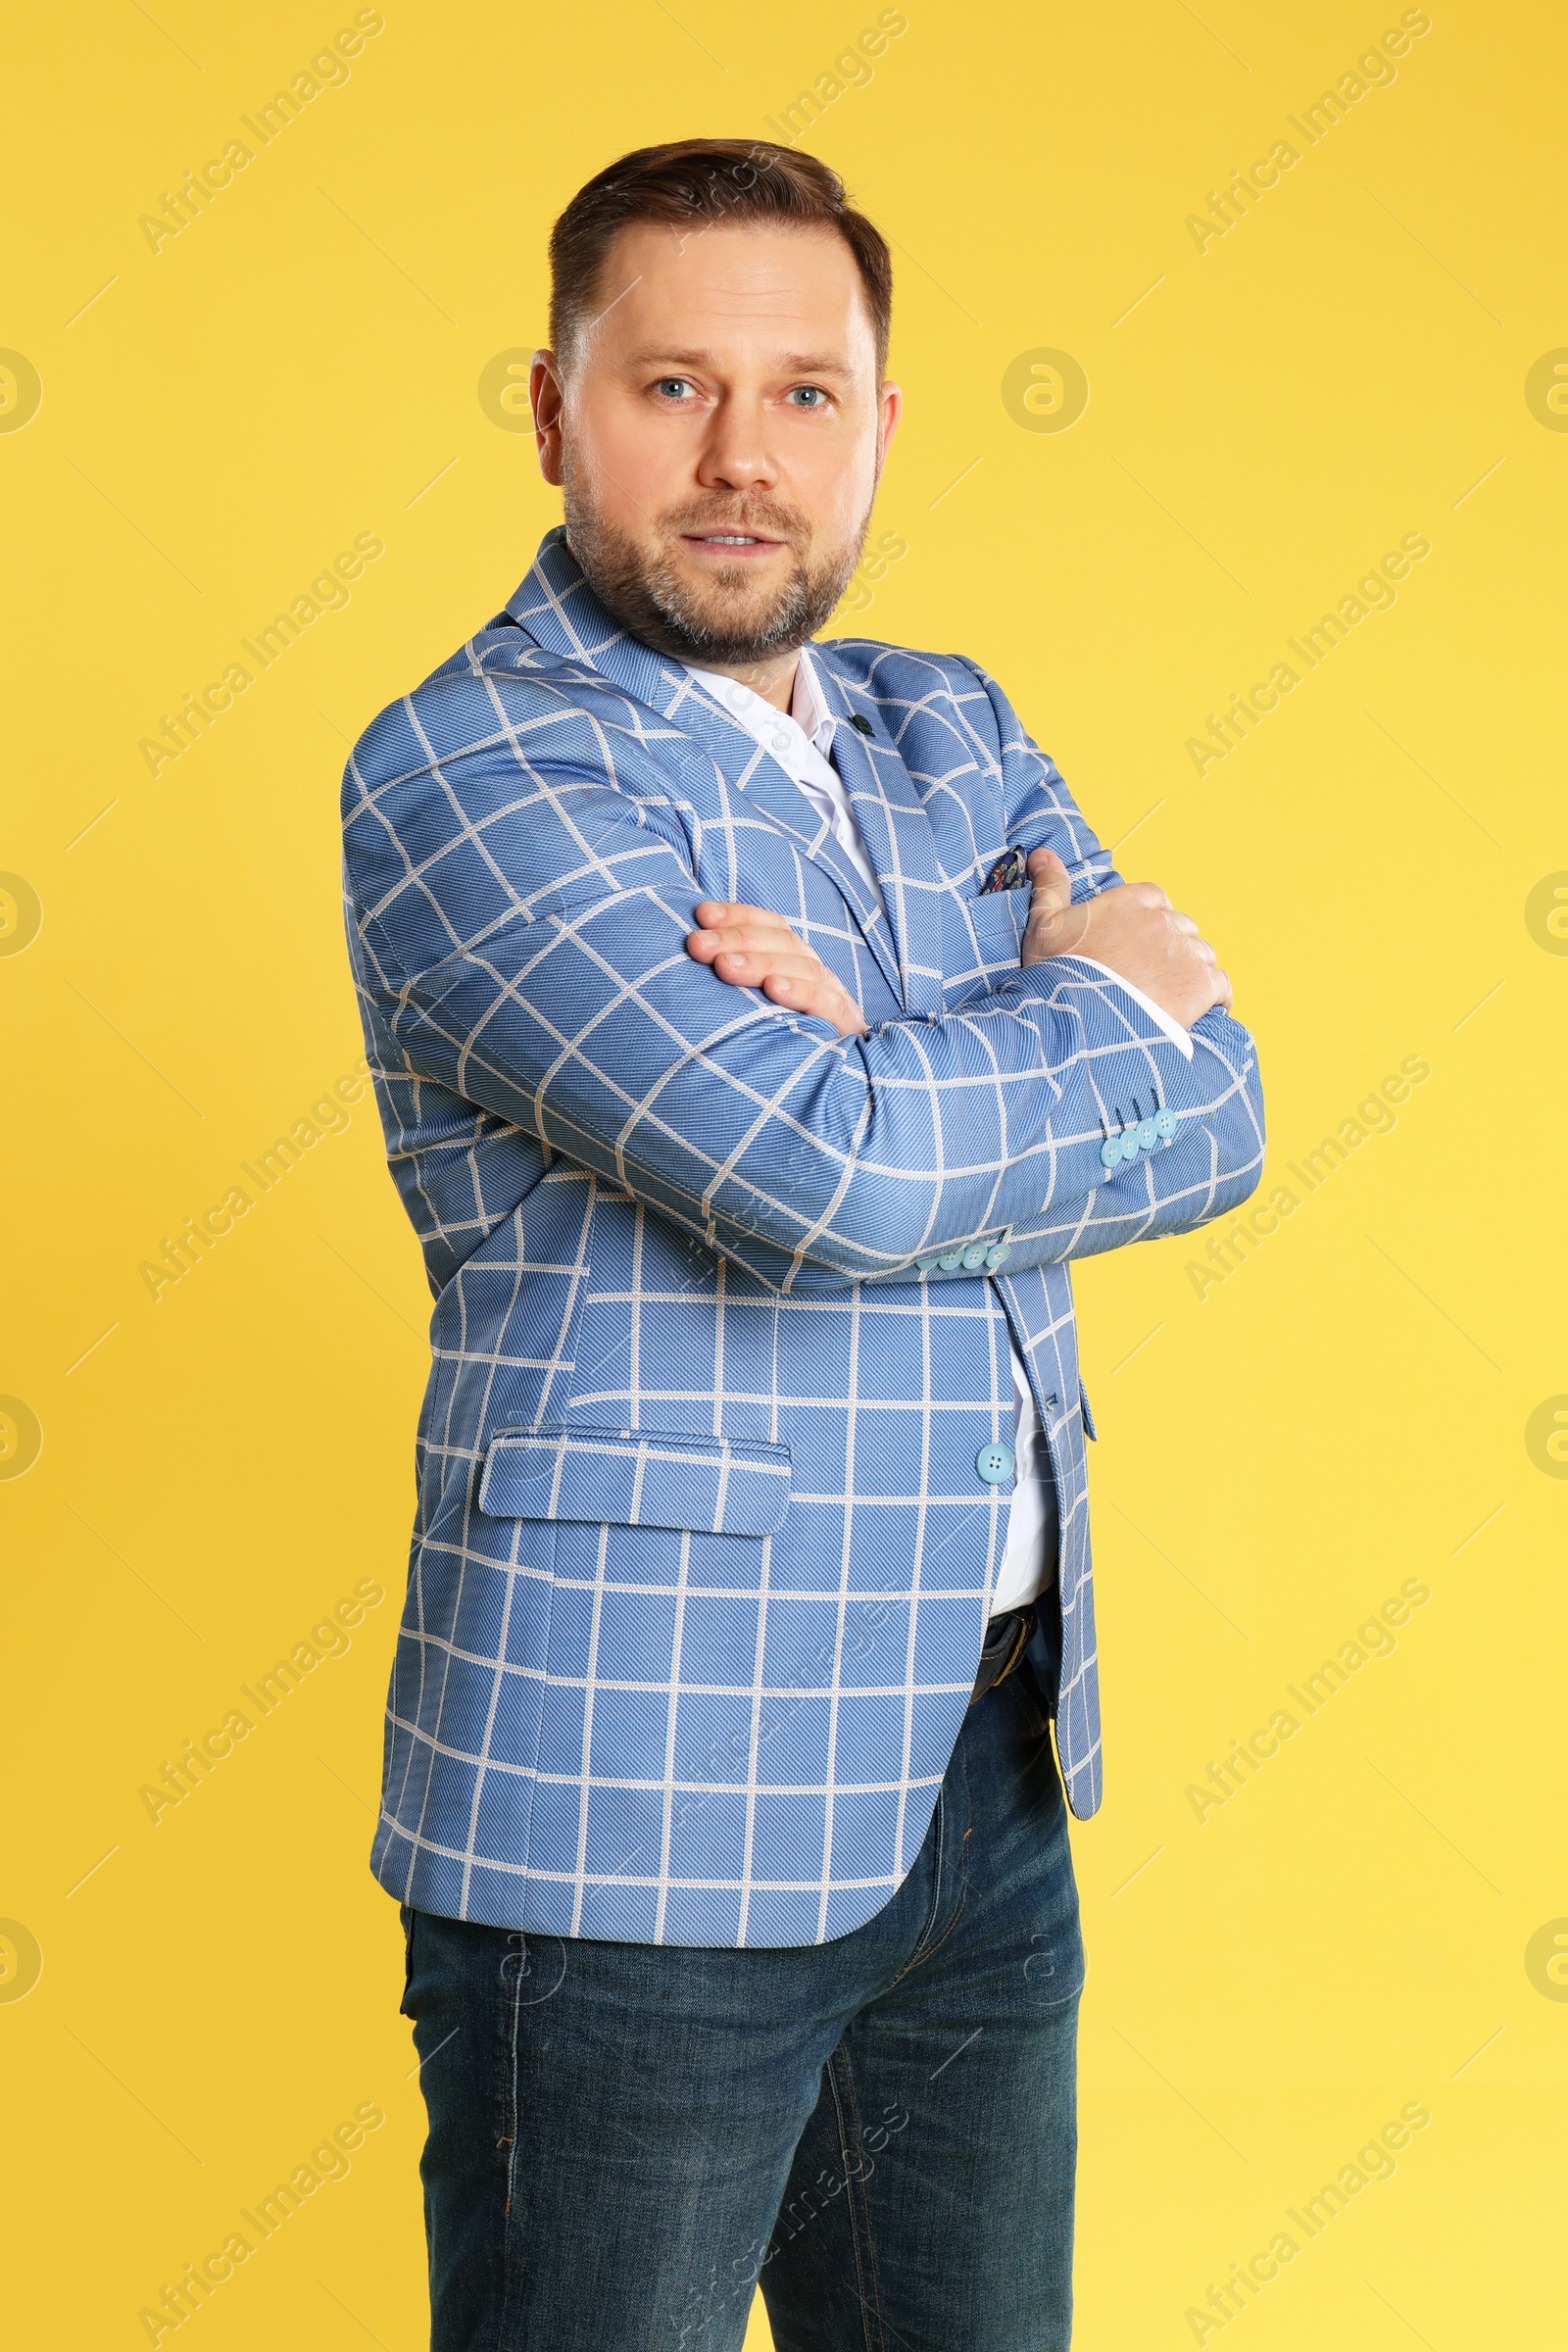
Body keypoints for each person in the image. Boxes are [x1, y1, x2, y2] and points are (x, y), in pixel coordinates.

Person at [341, 138, 1263, 2352]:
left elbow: (1216, 1111)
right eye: (670, 388)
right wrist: (1067, 1009)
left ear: (876, 423)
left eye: (804, 392)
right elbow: (814, 1177)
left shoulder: (951, 726)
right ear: (556, 412)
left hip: (982, 1779)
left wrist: (916, 1042)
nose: (741, 459)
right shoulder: (467, 769)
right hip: (634, 1811)